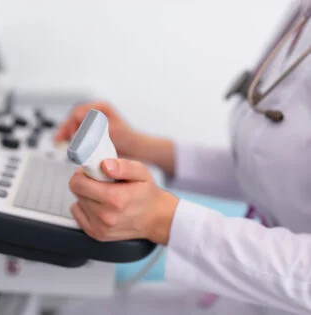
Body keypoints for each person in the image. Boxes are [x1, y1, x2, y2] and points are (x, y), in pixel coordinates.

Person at [54, 1, 311, 314]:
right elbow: (276, 170)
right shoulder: (301, 14)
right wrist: (142, 147)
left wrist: (164, 219)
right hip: (250, 292)